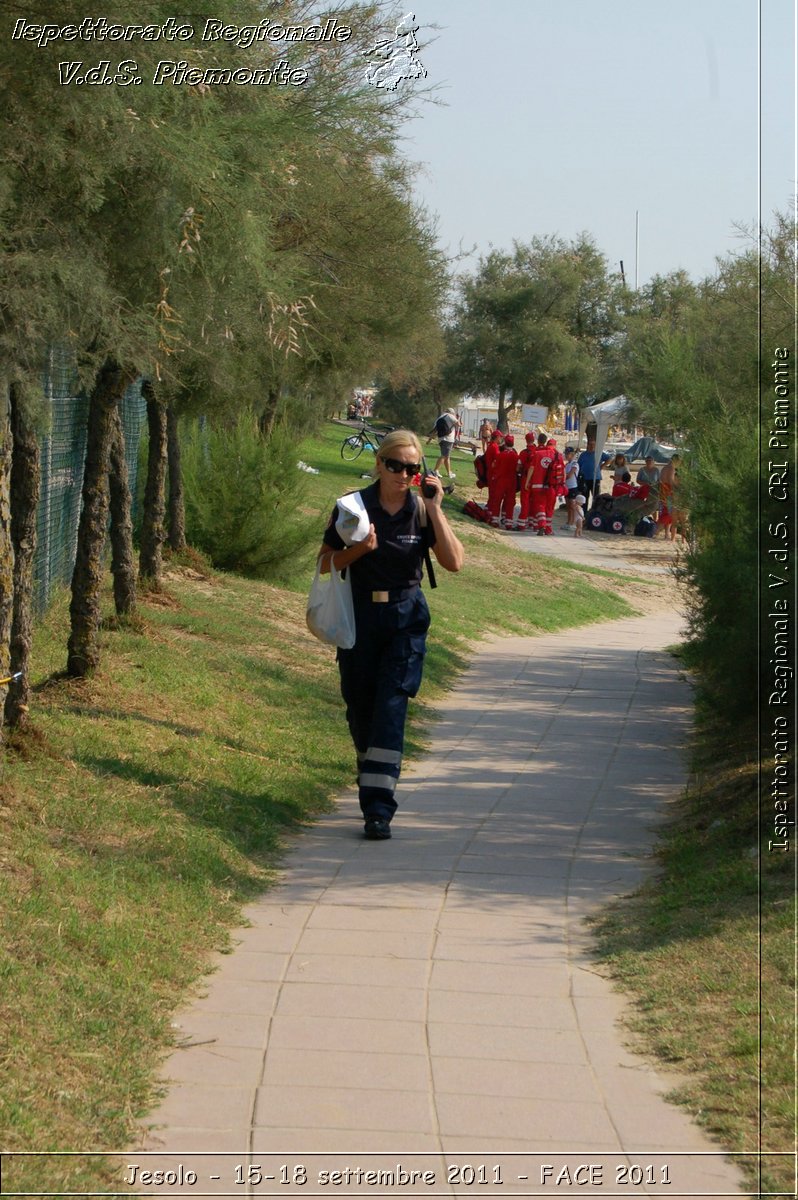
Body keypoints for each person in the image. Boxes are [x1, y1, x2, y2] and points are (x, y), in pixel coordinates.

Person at [318, 430, 464, 840]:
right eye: (396, 466)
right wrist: (360, 549)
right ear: (380, 464)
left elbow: (454, 563)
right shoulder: (352, 507)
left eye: (413, 469)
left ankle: (378, 811)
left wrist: (436, 509)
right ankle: (371, 772)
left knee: (391, 708)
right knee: (361, 709)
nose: (404, 474)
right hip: (360, 616)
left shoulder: (420, 509)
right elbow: (325, 563)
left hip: (406, 617)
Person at [427, 408, 460, 479]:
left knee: (447, 456)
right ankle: (435, 470)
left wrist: (429, 440)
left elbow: (435, 430)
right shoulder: (450, 416)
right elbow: (458, 424)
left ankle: (449, 473)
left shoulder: (439, 418)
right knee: (444, 455)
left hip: (441, 439)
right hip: (448, 439)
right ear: (452, 413)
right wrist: (459, 420)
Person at [516, 432, 537, 530]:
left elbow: (518, 467)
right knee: (534, 502)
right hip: (536, 480)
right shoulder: (538, 452)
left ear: (526, 440)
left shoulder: (524, 453)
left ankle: (521, 524)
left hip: (526, 479)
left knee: (525, 502)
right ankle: (532, 522)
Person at [563, 446, 579, 529]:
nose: (566, 455)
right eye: (566, 453)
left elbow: (569, 475)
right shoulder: (567, 464)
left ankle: (573, 522)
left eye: (568, 454)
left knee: (572, 506)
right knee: (568, 506)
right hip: (567, 487)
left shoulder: (575, 464)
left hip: (573, 487)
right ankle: (568, 522)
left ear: (572, 454)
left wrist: (562, 477)